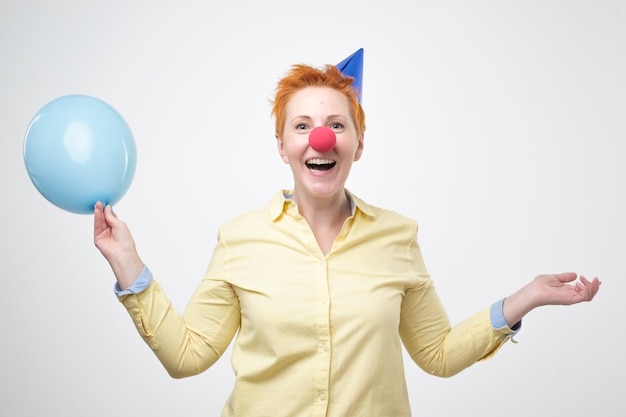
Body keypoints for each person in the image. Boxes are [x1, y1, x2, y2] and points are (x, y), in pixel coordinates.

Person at [93, 49, 601, 417]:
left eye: (338, 125)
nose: (321, 136)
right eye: (304, 126)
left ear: (358, 145)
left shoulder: (398, 237)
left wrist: (527, 296)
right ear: (282, 145)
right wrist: (128, 266)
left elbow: (438, 355)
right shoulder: (239, 239)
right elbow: (187, 356)